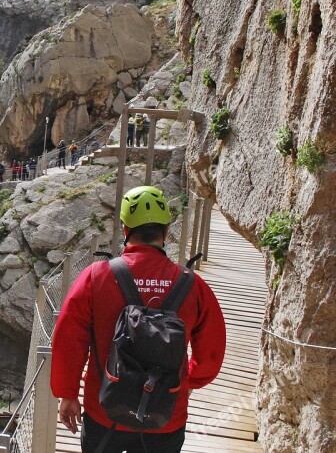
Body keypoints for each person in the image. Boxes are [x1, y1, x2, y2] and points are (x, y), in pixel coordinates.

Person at [51, 186, 226, 453]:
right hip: (166, 414)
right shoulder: (193, 285)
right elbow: (212, 349)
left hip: (104, 409)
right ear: (166, 232)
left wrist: (68, 393)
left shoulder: (95, 277)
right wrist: (189, 381)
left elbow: (68, 340)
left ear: (124, 229)